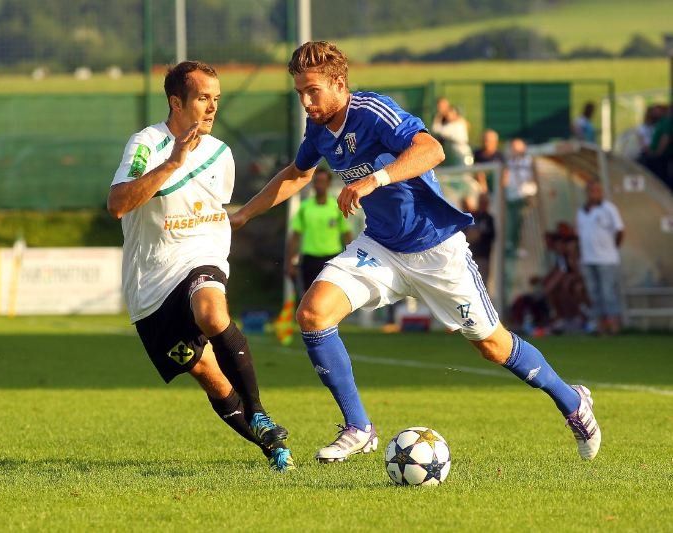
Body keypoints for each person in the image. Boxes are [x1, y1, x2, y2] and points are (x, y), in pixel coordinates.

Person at [231, 41, 601, 463]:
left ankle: (572, 401)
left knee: (493, 346)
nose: (306, 102)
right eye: (300, 92)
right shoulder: (318, 128)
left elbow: (432, 150)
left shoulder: (373, 111)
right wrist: (244, 215)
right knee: (312, 314)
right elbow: (297, 173)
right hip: (381, 247)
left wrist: (375, 179)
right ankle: (359, 427)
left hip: (436, 249)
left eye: (312, 91)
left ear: (339, 84)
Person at [106, 61, 293, 472]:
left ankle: (259, 411)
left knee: (211, 311)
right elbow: (118, 204)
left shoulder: (221, 153)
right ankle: (272, 447)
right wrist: (172, 163)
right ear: (176, 103)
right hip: (150, 286)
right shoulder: (145, 144)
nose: (212, 108)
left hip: (201, 257)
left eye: (217, 99)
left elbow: (211, 207)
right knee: (210, 374)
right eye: (203, 98)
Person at [285, 167, 353, 293]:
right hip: (310, 259)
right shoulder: (305, 207)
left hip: (332, 258)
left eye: (323, 181)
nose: (319, 185)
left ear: (328, 184)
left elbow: (347, 234)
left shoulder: (336, 207)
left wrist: (350, 259)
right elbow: (295, 236)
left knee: (331, 296)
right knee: (308, 295)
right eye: (317, 181)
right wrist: (290, 263)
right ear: (313, 183)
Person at [576, 180, 625, 335]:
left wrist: (612, 248)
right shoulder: (582, 211)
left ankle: (614, 325)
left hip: (606, 259)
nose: (594, 193)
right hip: (588, 259)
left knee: (608, 292)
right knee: (593, 294)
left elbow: (620, 230)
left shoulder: (608, 209)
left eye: (597, 190)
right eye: (591, 190)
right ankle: (600, 326)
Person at [504, 138, 538, 257]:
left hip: (526, 197)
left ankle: (520, 246)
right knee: (513, 222)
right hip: (512, 198)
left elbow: (533, 178)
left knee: (523, 222)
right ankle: (513, 246)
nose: (514, 150)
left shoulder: (529, 161)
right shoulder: (509, 162)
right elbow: (506, 180)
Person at [462, 193, 495, 282]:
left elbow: (491, 236)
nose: (483, 204)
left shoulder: (489, 218)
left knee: (481, 281)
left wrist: (478, 235)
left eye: (485, 202)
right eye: (481, 202)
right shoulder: (473, 216)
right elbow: (466, 233)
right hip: (470, 255)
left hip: (483, 257)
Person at [472, 129, 506, 193]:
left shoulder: (500, 156)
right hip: (479, 186)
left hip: (496, 185)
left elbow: (505, 174)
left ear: (495, 142)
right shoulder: (476, 154)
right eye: (484, 141)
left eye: (488, 141)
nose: (486, 143)